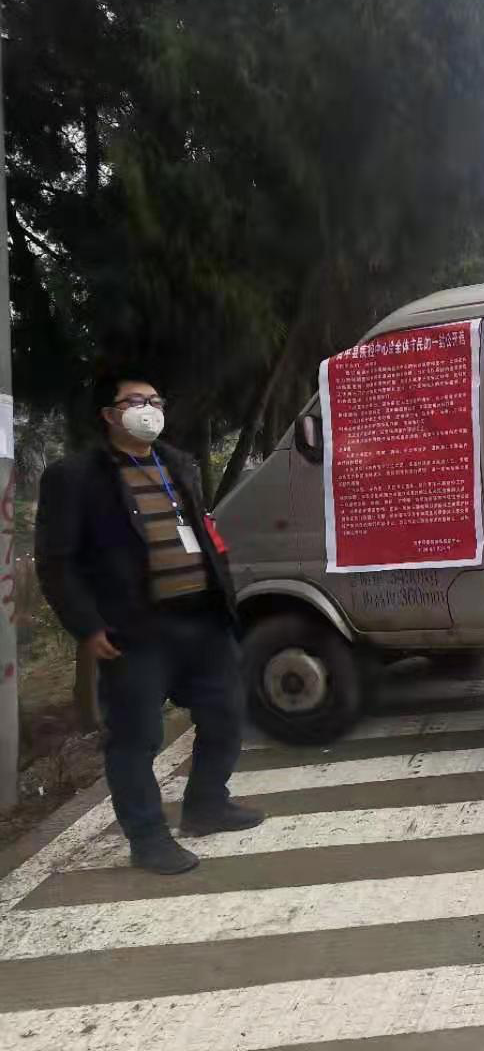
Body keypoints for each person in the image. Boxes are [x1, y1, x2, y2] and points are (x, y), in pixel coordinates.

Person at [35, 373, 264, 875]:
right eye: (134, 400)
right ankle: (147, 838)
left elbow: (203, 532)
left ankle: (207, 805)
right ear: (109, 414)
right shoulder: (75, 477)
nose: (148, 408)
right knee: (135, 738)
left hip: (203, 620)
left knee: (227, 714)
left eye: (155, 400)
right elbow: (56, 563)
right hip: (134, 630)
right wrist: (87, 626)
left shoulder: (177, 463)